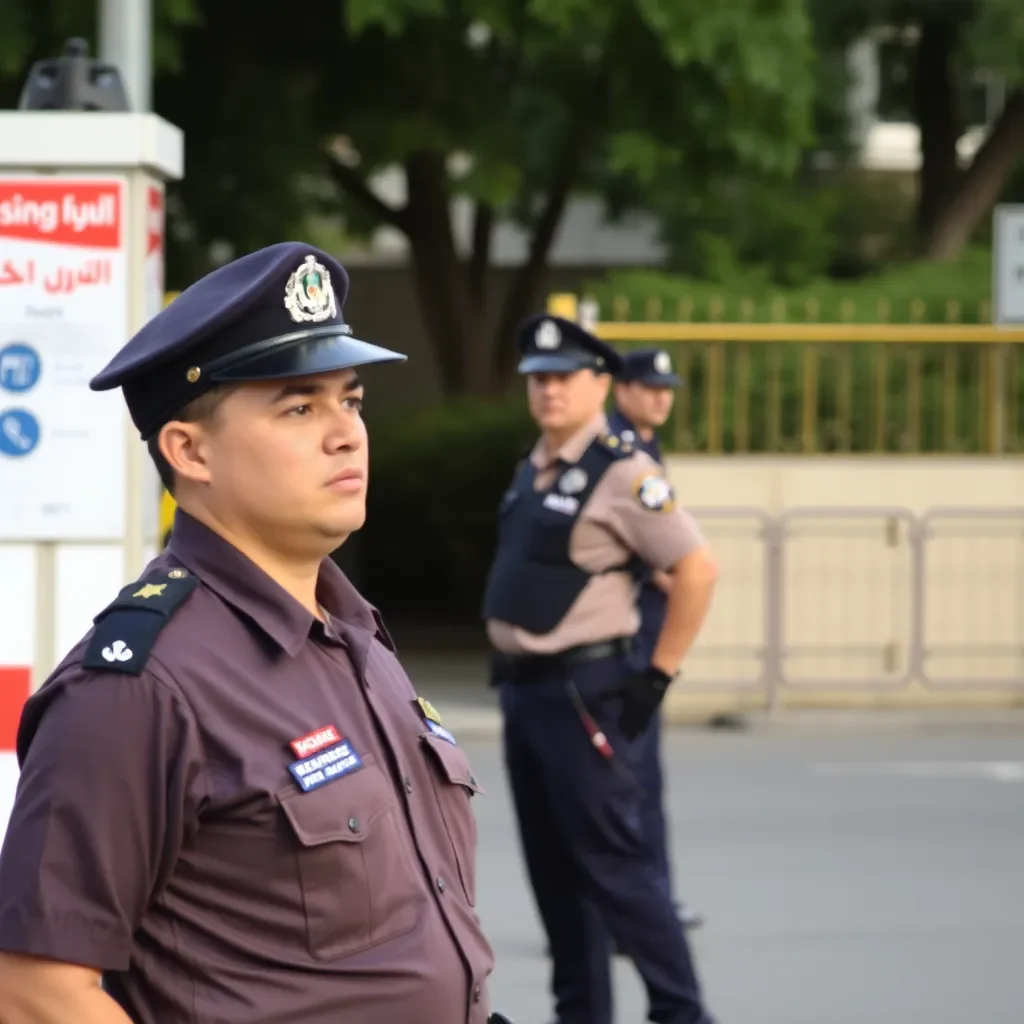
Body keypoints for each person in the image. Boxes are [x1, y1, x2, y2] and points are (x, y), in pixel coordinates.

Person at [0, 242, 510, 1024]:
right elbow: (37, 991)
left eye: (353, 399)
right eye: (300, 407)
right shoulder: (140, 688)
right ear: (190, 451)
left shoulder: (354, 636)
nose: (346, 433)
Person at [481, 314, 719, 1024]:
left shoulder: (624, 470)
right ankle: (580, 1013)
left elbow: (697, 569)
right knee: (556, 878)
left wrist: (659, 672)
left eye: (562, 378)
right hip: (526, 692)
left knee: (618, 871)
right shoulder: (537, 461)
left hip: (583, 691)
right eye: (537, 380)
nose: (548, 391)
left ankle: (682, 1013)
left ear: (599, 384)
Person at [608, 347, 704, 931]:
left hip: (641, 626)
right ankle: (640, 910)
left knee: (639, 776)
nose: (661, 396)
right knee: (630, 776)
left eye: (667, 387)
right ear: (622, 388)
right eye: (650, 386)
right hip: (626, 631)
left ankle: (649, 904)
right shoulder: (621, 453)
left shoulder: (641, 443)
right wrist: (660, 569)